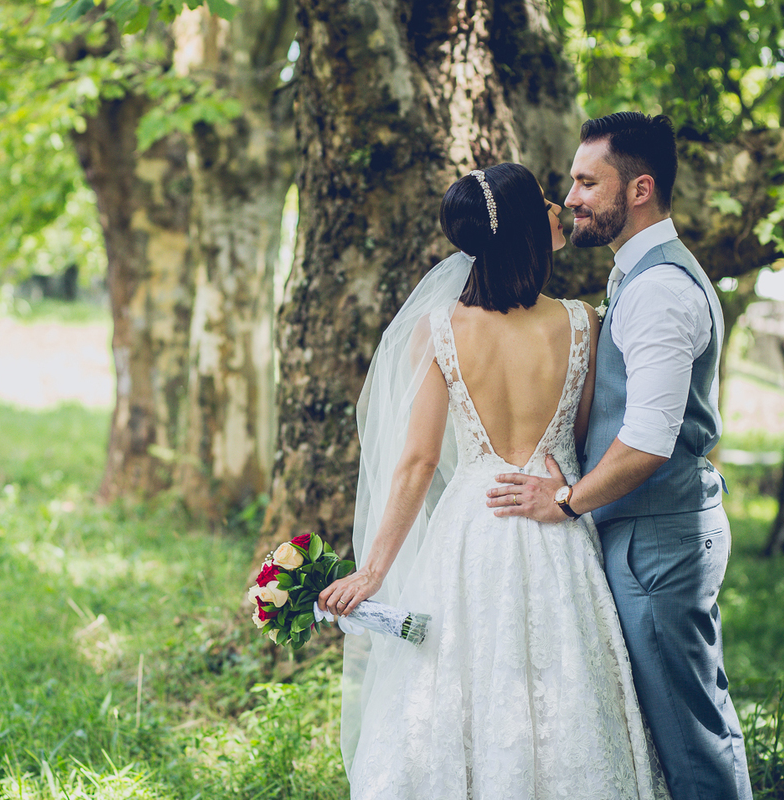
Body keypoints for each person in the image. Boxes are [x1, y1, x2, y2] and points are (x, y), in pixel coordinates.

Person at [318, 162, 670, 799]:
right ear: (527, 230)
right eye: (544, 201)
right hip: (554, 523)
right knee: (567, 688)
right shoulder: (582, 324)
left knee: (458, 689)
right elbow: (584, 440)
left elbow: (417, 464)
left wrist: (371, 572)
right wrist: (561, 483)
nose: (558, 206)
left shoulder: (443, 330)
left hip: (470, 531)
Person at [487, 113, 753, 800]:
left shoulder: (660, 291)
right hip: (646, 536)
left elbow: (648, 441)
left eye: (585, 182)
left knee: (690, 741)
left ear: (638, 189)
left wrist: (565, 500)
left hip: (658, 545)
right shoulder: (637, 275)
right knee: (680, 728)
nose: (570, 197)